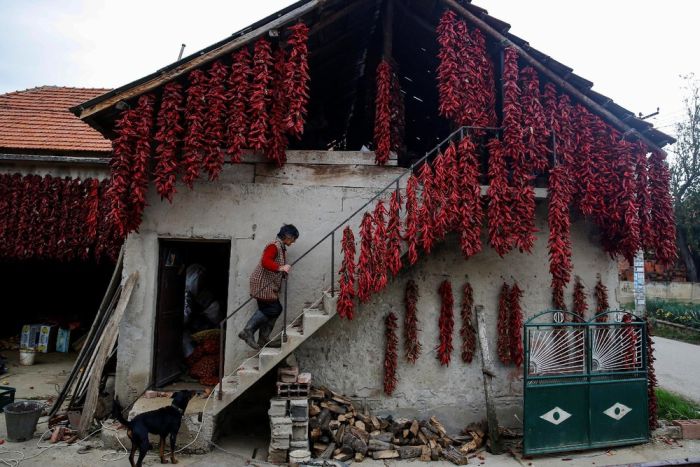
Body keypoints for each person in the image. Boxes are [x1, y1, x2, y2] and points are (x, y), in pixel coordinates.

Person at [239, 224, 299, 350]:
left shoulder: (281, 248)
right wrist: (281, 268)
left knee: (271, 309)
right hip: (261, 283)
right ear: (288, 236)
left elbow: (273, 264)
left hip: (267, 284)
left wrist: (281, 273)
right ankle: (248, 331)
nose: (293, 242)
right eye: (294, 239)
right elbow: (265, 262)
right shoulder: (273, 246)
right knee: (274, 308)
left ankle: (263, 338)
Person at [182, 263, 222, 358]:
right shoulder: (186, 295)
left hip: (202, 330)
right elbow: (185, 318)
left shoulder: (205, 296)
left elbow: (215, 316)